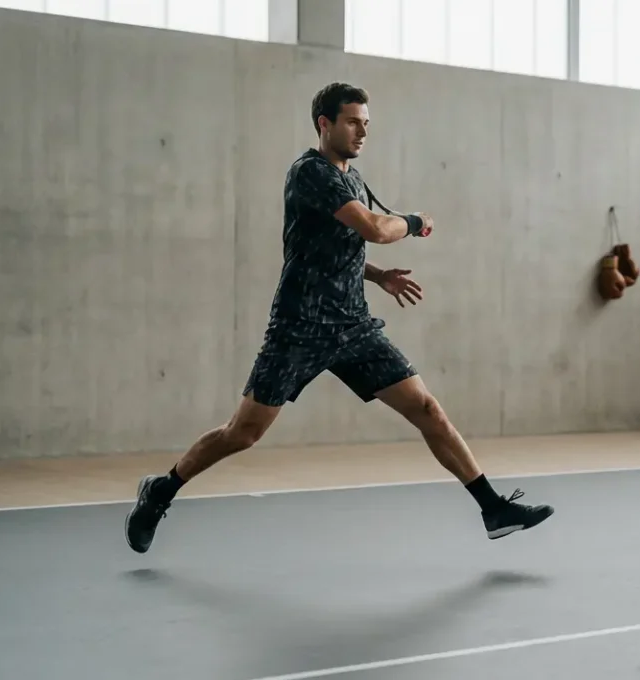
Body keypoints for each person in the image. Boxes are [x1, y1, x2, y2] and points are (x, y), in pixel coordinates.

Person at [123, 82, 553, 553]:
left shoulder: (351, 178)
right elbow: (372, 228)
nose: (361, 131)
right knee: (242, 433)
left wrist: (375, 275)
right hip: (300, 327)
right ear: (324, 124)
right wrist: (411, 221)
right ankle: (160, 491)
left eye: (366, 123)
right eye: (352, 121)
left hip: (353, 326)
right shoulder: (311, 172)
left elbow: (327, 246)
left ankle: (493, 508)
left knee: (427, 408)